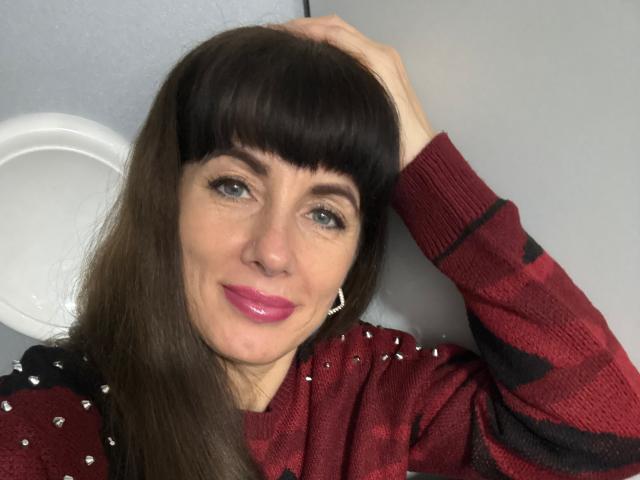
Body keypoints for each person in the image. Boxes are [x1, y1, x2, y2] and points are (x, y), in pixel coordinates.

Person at [1, 13, 639, 480]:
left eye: (326, 214)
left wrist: (424, 165)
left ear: (356, 254)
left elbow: (611, 430)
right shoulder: (48, 423)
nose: (274, 252)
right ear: (165, 202)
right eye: (234, 186)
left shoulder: (368, 382)